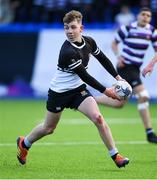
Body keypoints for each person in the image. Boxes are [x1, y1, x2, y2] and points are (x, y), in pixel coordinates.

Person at [16, 10, 129, 168]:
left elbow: (103, 59)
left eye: (73, 27)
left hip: (78, 91)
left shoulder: (89, 42)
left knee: (98, 118)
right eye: (66, 27)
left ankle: (116, 155)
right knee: (49, 128)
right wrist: (107, 91)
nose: (69, 31)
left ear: (81, 28)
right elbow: (85, 76)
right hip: (59, 93)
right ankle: (24, 143)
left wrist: (117, 77)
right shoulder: (68, 52)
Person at [95, 7, 157, 143]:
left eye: (148, 15)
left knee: (119, 104)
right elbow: (114, 43)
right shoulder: (128, 28)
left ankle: (91, 99)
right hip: (125, 67)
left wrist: (150, 64)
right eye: (143, 14)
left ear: (150, 18)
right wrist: (118, 57)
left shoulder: (152, 31)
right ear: (138, 16)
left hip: (135, 68)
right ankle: (150, 133)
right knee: (144, 95)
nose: (145, 17)